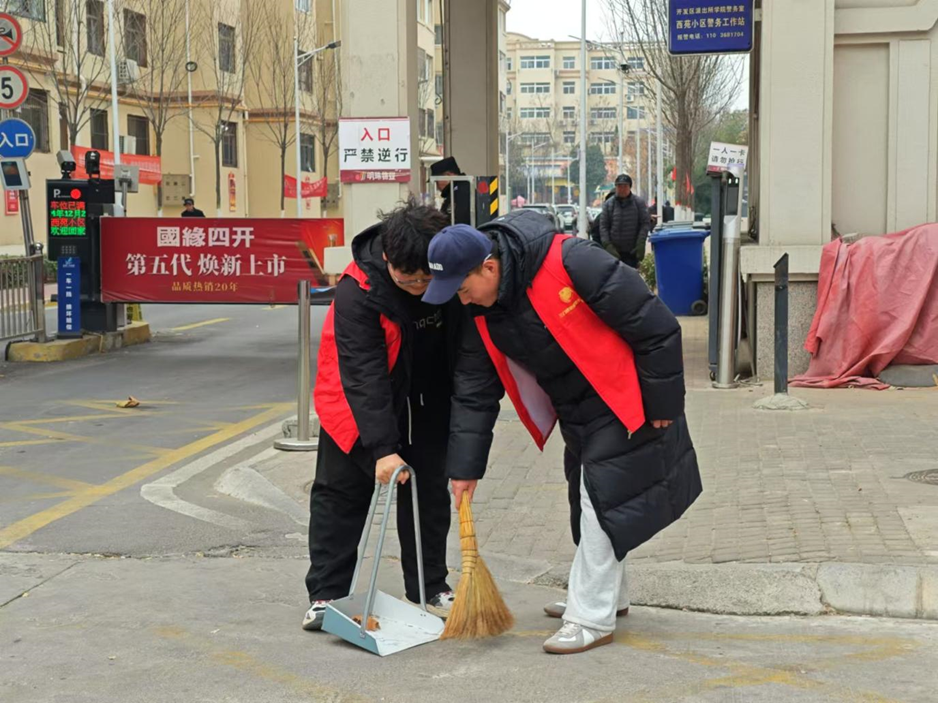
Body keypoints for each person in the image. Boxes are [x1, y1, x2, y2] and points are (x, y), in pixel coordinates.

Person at [422, 211, 702, 654]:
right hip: (576, 410)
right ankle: (609, 597)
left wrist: (663, 405)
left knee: (600, 498)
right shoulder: (482, 312)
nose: (462, 299)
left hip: (624, 396)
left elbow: (657, 326)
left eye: (462, 288)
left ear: (489, 268)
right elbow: (474, 392)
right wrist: (464, 469)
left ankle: (590, 617)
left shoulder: (571, 261)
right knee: (595, 502)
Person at [303, 200, 461, 631]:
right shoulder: (358, 291)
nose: (419, 288)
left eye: (427, 280)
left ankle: (429, 585)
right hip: (355, 402)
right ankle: (327, 594)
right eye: (409, 280)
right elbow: (364, 374)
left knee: (428, 494)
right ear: (389, 258)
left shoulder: (449, 275)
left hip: (425, 400)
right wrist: (382, 449)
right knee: (341, 495)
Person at [599, 174, 650, 268]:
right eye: (619, 186)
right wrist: (607, 245)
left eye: (625, 186)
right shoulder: (608, 204)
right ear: (616, 187)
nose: (622, 189)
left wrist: (641, 242)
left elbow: (645, 223)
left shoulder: (639, 203)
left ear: (629, 187)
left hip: (632, 252)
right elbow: (603, 226)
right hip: (614, 252)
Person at [430, 156, 469, 223]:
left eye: (437, 181)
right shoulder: (455, 191)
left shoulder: (462, 193)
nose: (437, 187)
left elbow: (459, 221)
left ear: (448, 175)